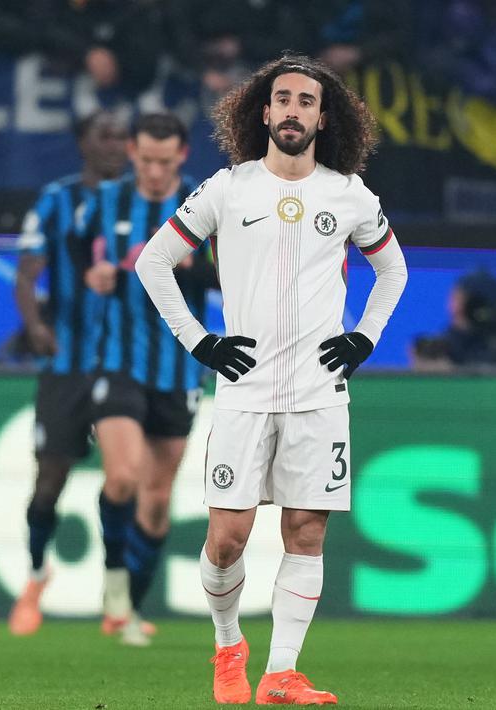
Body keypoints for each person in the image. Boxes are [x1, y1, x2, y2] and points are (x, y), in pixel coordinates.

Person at [134, 55, 407, 703]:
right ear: (262, 111)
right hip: (245, 390)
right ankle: (228, 646)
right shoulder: (229, 188)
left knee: (305, 530)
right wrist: (198, 341)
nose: (292, 110)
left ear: (321, 116)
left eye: (305, 101)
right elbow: (153, 262)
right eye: (281, 98)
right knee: (226, 540)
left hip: (319, 391)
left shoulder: (347, 195)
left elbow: (392, 271)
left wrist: (365, 335)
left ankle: (280, 672)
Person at [81, 112, 219, 647]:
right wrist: (95, 274)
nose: (156, 171)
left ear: (181, 157)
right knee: (123, 477)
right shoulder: (107, 204)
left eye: (166, 162)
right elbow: (89, 263)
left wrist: (187, 268)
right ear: (132, 153)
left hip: (179, 365)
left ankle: (129, 612)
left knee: (157, 500)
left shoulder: (205, 206)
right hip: (119, 359)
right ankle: (115, 582)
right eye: (147, 160)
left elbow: (222, 274)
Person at [7, 110, 129, 636]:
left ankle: (117, 598)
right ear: (82, 143)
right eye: (103, 135)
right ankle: (36, 577)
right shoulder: (56, 199)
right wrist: (34, 323)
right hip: (65, 364)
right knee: (49, 481)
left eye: (121, 136)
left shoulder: (141, 202)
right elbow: (28, 271)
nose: (114, 145)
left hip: (124, 362)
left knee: (122, 481)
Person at [410, 268, 496, 370]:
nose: (453, 308)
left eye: (461, 300)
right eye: (453, 299)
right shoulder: (445, 348)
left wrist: (453, 376)